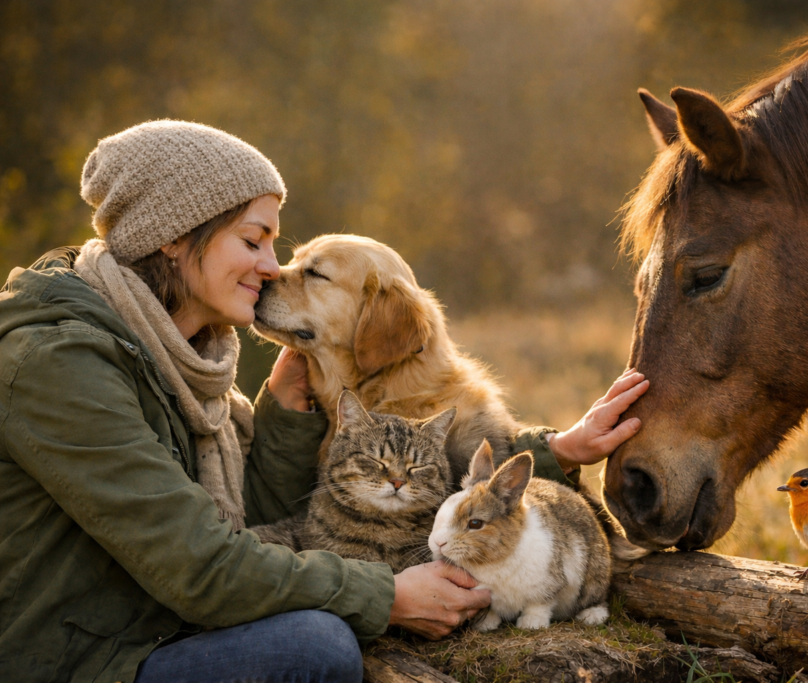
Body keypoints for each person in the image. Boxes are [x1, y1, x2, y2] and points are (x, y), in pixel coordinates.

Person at [0, 121, 650, 683]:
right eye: (254, 240)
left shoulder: (184, 352)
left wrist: (285, 420)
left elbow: (251, 517)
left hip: (147, 626)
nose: (268, 266)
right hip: (81, 662)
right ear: (174, 236)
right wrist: (384, 596)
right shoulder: (59, 365)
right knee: (318, 646)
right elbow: (199, 563)